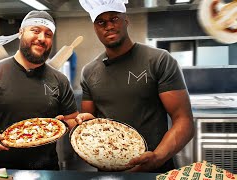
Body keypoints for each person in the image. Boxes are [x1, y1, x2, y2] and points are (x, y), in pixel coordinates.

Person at [76, 0, 194, 173]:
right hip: (110, 171)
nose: (108, 26)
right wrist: (82, 122)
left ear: (126, 20)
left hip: (155, 168)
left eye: (114, 18)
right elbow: (91, 123)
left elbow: (184, 121)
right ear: (95, 27)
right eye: (101, 22)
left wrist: (156, 158)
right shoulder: (89, 72)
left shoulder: (159, 60)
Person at [0, 10, 78, 170]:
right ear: (21, 32)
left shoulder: (60, 80)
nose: (42, 38)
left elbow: (72, 120)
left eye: (48, 34)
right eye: (35, 31)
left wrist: (63, 124)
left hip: (45, 172)